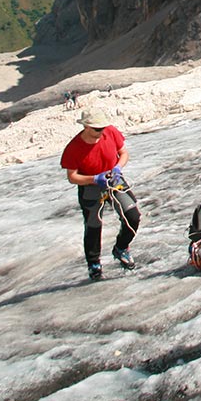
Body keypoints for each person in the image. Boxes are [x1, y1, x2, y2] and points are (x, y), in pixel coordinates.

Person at [60, 109, 141, 280]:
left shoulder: (110, 132)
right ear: (86, 127)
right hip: (91, 186)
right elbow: (72, 177)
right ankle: (93, 263)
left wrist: (118, 168)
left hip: (114, 180)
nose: (101, 131)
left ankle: (121, 247)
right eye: (97, 129)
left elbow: (124, 153)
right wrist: (94, 179)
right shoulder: (74, 148)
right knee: (93, 225)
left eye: (103, 127)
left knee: (133, 216)